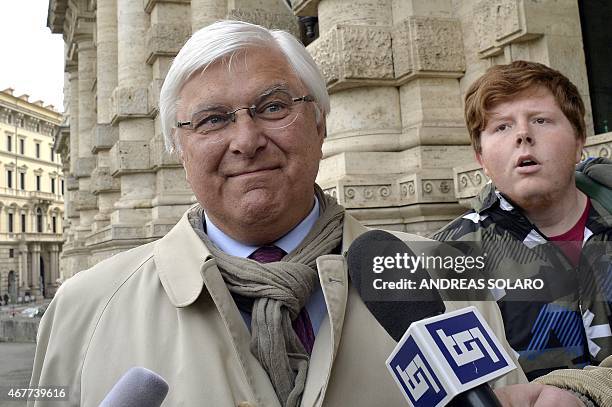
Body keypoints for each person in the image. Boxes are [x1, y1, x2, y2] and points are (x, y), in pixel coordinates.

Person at [30, 23, 600, 406]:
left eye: (273, 107)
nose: (246, 139)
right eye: (211, 120)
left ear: (321, 123)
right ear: (179, 149)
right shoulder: (85, 309)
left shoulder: (444, 277)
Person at [433, 61, 612, 387]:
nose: (523, 135)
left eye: (541, 120)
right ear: (481, 159)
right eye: (501, 127)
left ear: (578, 142)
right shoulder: (446, 260)